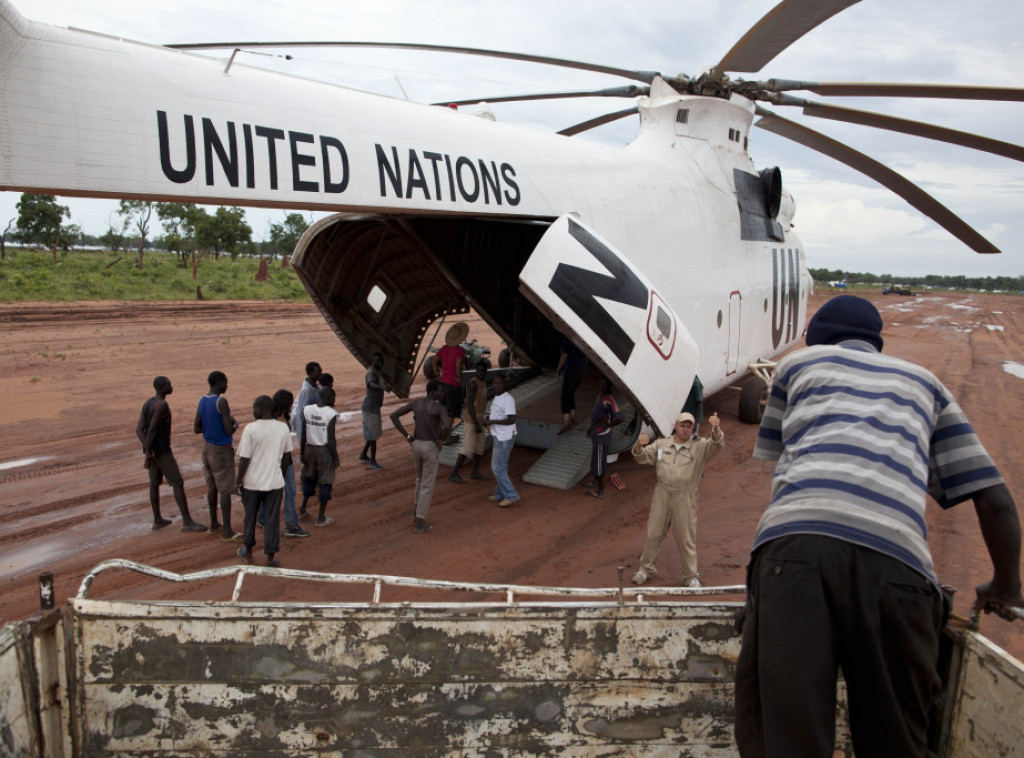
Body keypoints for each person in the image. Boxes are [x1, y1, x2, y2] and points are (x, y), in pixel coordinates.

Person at [735, 295, 1024, 758]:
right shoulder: (926, 384)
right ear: (877, 343)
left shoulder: (796, 365)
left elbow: (789, 477)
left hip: (794, 554)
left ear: (816, 339)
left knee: (788, 737)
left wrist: (761, 602)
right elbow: (995, 499)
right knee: (897, 734)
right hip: (899, 566)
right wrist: (1006, 586)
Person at [630, 411, 723, 588]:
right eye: (682, 425)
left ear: (692, 429)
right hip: (662, 493)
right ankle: (645, 570)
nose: (685, 429)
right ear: (675, 426)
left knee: (685, 538)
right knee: (653, 534)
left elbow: (716, 445)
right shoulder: (662, 444)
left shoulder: (699, 446)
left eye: (689, 427)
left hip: (685, 496)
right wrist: (639, 447)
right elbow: (644, 457)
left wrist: (716, 429)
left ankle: (690, 577)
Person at [135, 375, 205, 532]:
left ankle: (157, 519)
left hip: (153, 451)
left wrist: (147, 450)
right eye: (169, 385)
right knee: (177, 483)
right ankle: (187, 522)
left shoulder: (148, 403)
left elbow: (139, 429)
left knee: (154, 484)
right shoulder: (162, 405)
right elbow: (152, 429)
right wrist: (149, 451)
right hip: (162, 451)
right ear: (162, 388)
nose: (171, 387)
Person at [236, 395, 293, 568]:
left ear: (261, 409)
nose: (253, 411)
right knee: (272, 519)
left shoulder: (250, 429)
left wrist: (238, 480)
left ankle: (248, 552)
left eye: (254, 408)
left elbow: (244, 459)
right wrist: (280, 476)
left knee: (250, 518)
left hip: (251, 483)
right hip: (274, 483)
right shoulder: (283, 428)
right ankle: (270, 557)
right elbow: (286, 459)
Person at [390, 379, 450, 532]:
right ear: (432, 392)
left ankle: (416, 513)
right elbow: (448, 426)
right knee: (427, 485)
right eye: (440, 391)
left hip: (416, 445)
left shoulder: (416, 404)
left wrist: (406, 435)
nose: (443, 394)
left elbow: (394, 416)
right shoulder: (439, 408)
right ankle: (420, 521)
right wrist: (441, 439)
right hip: (430, 446)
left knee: (420, 480)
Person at [193, 370, 240, 541]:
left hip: (207, 448)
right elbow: (229, 429)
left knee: (212, 487)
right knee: (226, 490)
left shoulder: (202, 400)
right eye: (225, 382)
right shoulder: (221, 402)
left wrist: (211, 427)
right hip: (221, 449)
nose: (226, 385)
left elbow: (197, 428)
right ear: (218, 383)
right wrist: (235, 424)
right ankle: (227, 530)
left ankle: (214, 524)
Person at [259, 389, 308, 538]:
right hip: (283, 464)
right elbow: (285, 454)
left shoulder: (269, 418)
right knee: (289, 493)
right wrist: (283, 469)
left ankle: (262, 519)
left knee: (266, 491)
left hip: (269, 461)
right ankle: (291, 525)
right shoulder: (283, 424)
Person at [299, 386, 339, 527]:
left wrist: (302, 452)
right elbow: (331, 438)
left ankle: (302, 508)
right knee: (325, 482)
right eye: (333, 398)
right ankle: (321, 517)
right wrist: (335, 457)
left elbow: (303, 433)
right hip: (324, 451)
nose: (334, 400)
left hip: (309, 449)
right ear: (329, 398)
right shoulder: (331, 413)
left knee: (309, 479)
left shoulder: (307, 410)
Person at [449, 361, 490, 483]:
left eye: (483, 371)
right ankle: (453, 473)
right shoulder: (473, 384)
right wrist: (476, 423)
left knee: (479, 447)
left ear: (486, 371)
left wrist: (481, 420)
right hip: (472, 420)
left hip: (479, 419)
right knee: (467, 447)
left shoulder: (482, 382)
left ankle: (475, 472)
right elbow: (470, 405)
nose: (481, 373)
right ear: (475, 370)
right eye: (479, 370)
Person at [585, 378, 623, 499]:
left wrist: (608, 425)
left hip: (602, 435)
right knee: (596, 460)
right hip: (596, 434)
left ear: (608, 386)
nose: (601, 386)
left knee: (600, 463)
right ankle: (596, 481)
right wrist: (590, 428)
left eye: (604, 384)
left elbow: (620, 418)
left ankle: (600, 492)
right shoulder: (600, 396)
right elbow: (596, 415)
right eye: (601, 383)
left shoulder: (609, 400)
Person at [484, 374, 518, 507]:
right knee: (501, 467)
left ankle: (511, 495)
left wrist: (491, 421)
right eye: (495, 383)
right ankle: (500, 494)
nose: (497, 385)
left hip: (505, 437)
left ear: (505, 384)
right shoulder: (497, 397)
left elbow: (512, 419)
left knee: (497, 468)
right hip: (499, 435)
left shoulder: (507, 399)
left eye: (500, 383)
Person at [431, 322, 468, 420]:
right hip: (453, 384)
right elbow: (458, 365)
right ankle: (447, 434)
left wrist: (437, 374)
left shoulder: (444, 348)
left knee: (443, 408)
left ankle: (439, 433)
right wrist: (459, 379)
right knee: (453, 411)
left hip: (443, 382)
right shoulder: (460, 351)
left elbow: (434, 360)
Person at [556, 336, 588, 434]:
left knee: (565, 394)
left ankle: (566, 420)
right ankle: (573, 415)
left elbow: (564, 355)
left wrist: (558, 369)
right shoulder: (582, 338)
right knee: (571, 392)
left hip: (571, 369)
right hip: (581, 369)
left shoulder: (568, 339)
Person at [359, 352, 385, 470]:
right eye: (377, 361)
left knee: (372, 434)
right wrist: (383, 388)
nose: (379, 363)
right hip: (370, 409)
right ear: (372, 362)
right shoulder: (371, 372)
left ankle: (364, 455)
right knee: (373, 436)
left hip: (374, 407)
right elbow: (371, 384)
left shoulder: (377, 372)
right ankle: (373, 461)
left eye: (380, 361)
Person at [289, 361, 322, 447]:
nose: (320, 374)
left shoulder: (317, 387)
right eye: (318, 372)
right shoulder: (307, 391)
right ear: (310, 373)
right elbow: (304, 413)